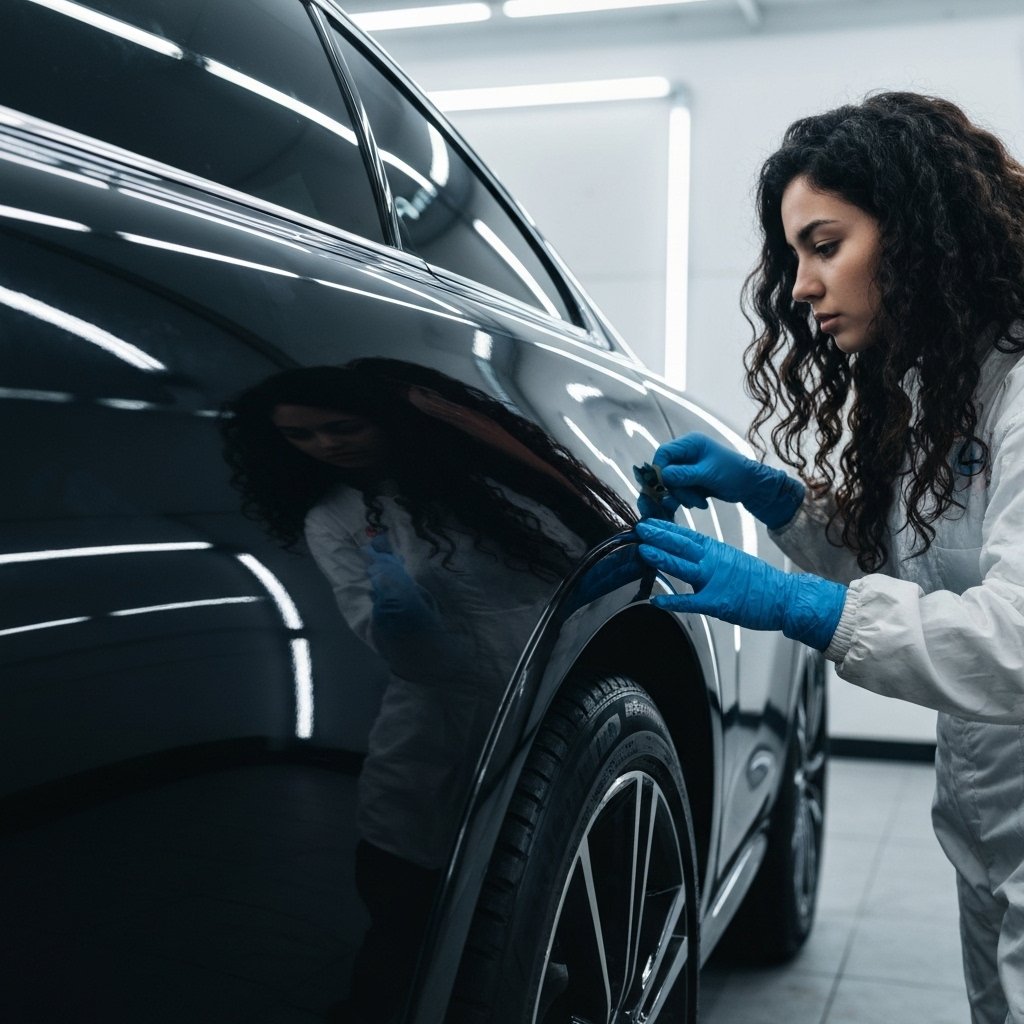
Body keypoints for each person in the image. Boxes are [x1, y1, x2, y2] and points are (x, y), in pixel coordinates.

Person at [634, 91, 1024, 1023]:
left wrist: (796, 606)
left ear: (923, 236)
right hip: (992, 819)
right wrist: (781, 503)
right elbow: (918, 570)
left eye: (825, 243)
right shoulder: (944, 384)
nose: (801, 286)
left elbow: (1014, 640)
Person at [221, 360, 633, 1021]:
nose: (327, 446)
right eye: (302, 437)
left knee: (546, 904)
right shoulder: (334, 517)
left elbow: (578, 573)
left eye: (341, 426)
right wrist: (398, 619)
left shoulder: (486, 487)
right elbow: (384, 637)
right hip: (432, 730)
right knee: (406, 908)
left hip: (552, 705)